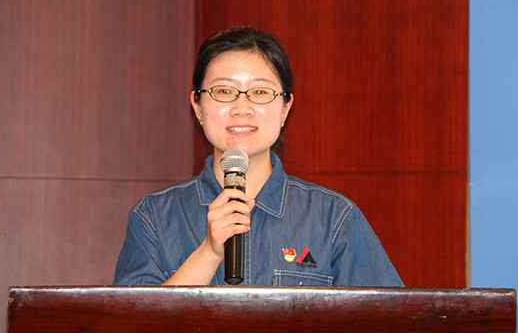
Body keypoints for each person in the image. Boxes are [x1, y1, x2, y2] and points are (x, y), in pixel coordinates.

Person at [114, 26, 402, 287]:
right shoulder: (153, 218)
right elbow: (134, 321)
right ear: (198, 106)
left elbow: (390, 318)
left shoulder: (334, 219)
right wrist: (209, 252)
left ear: (285, 109)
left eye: (260, 92)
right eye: (224, 91)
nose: (242, 108)